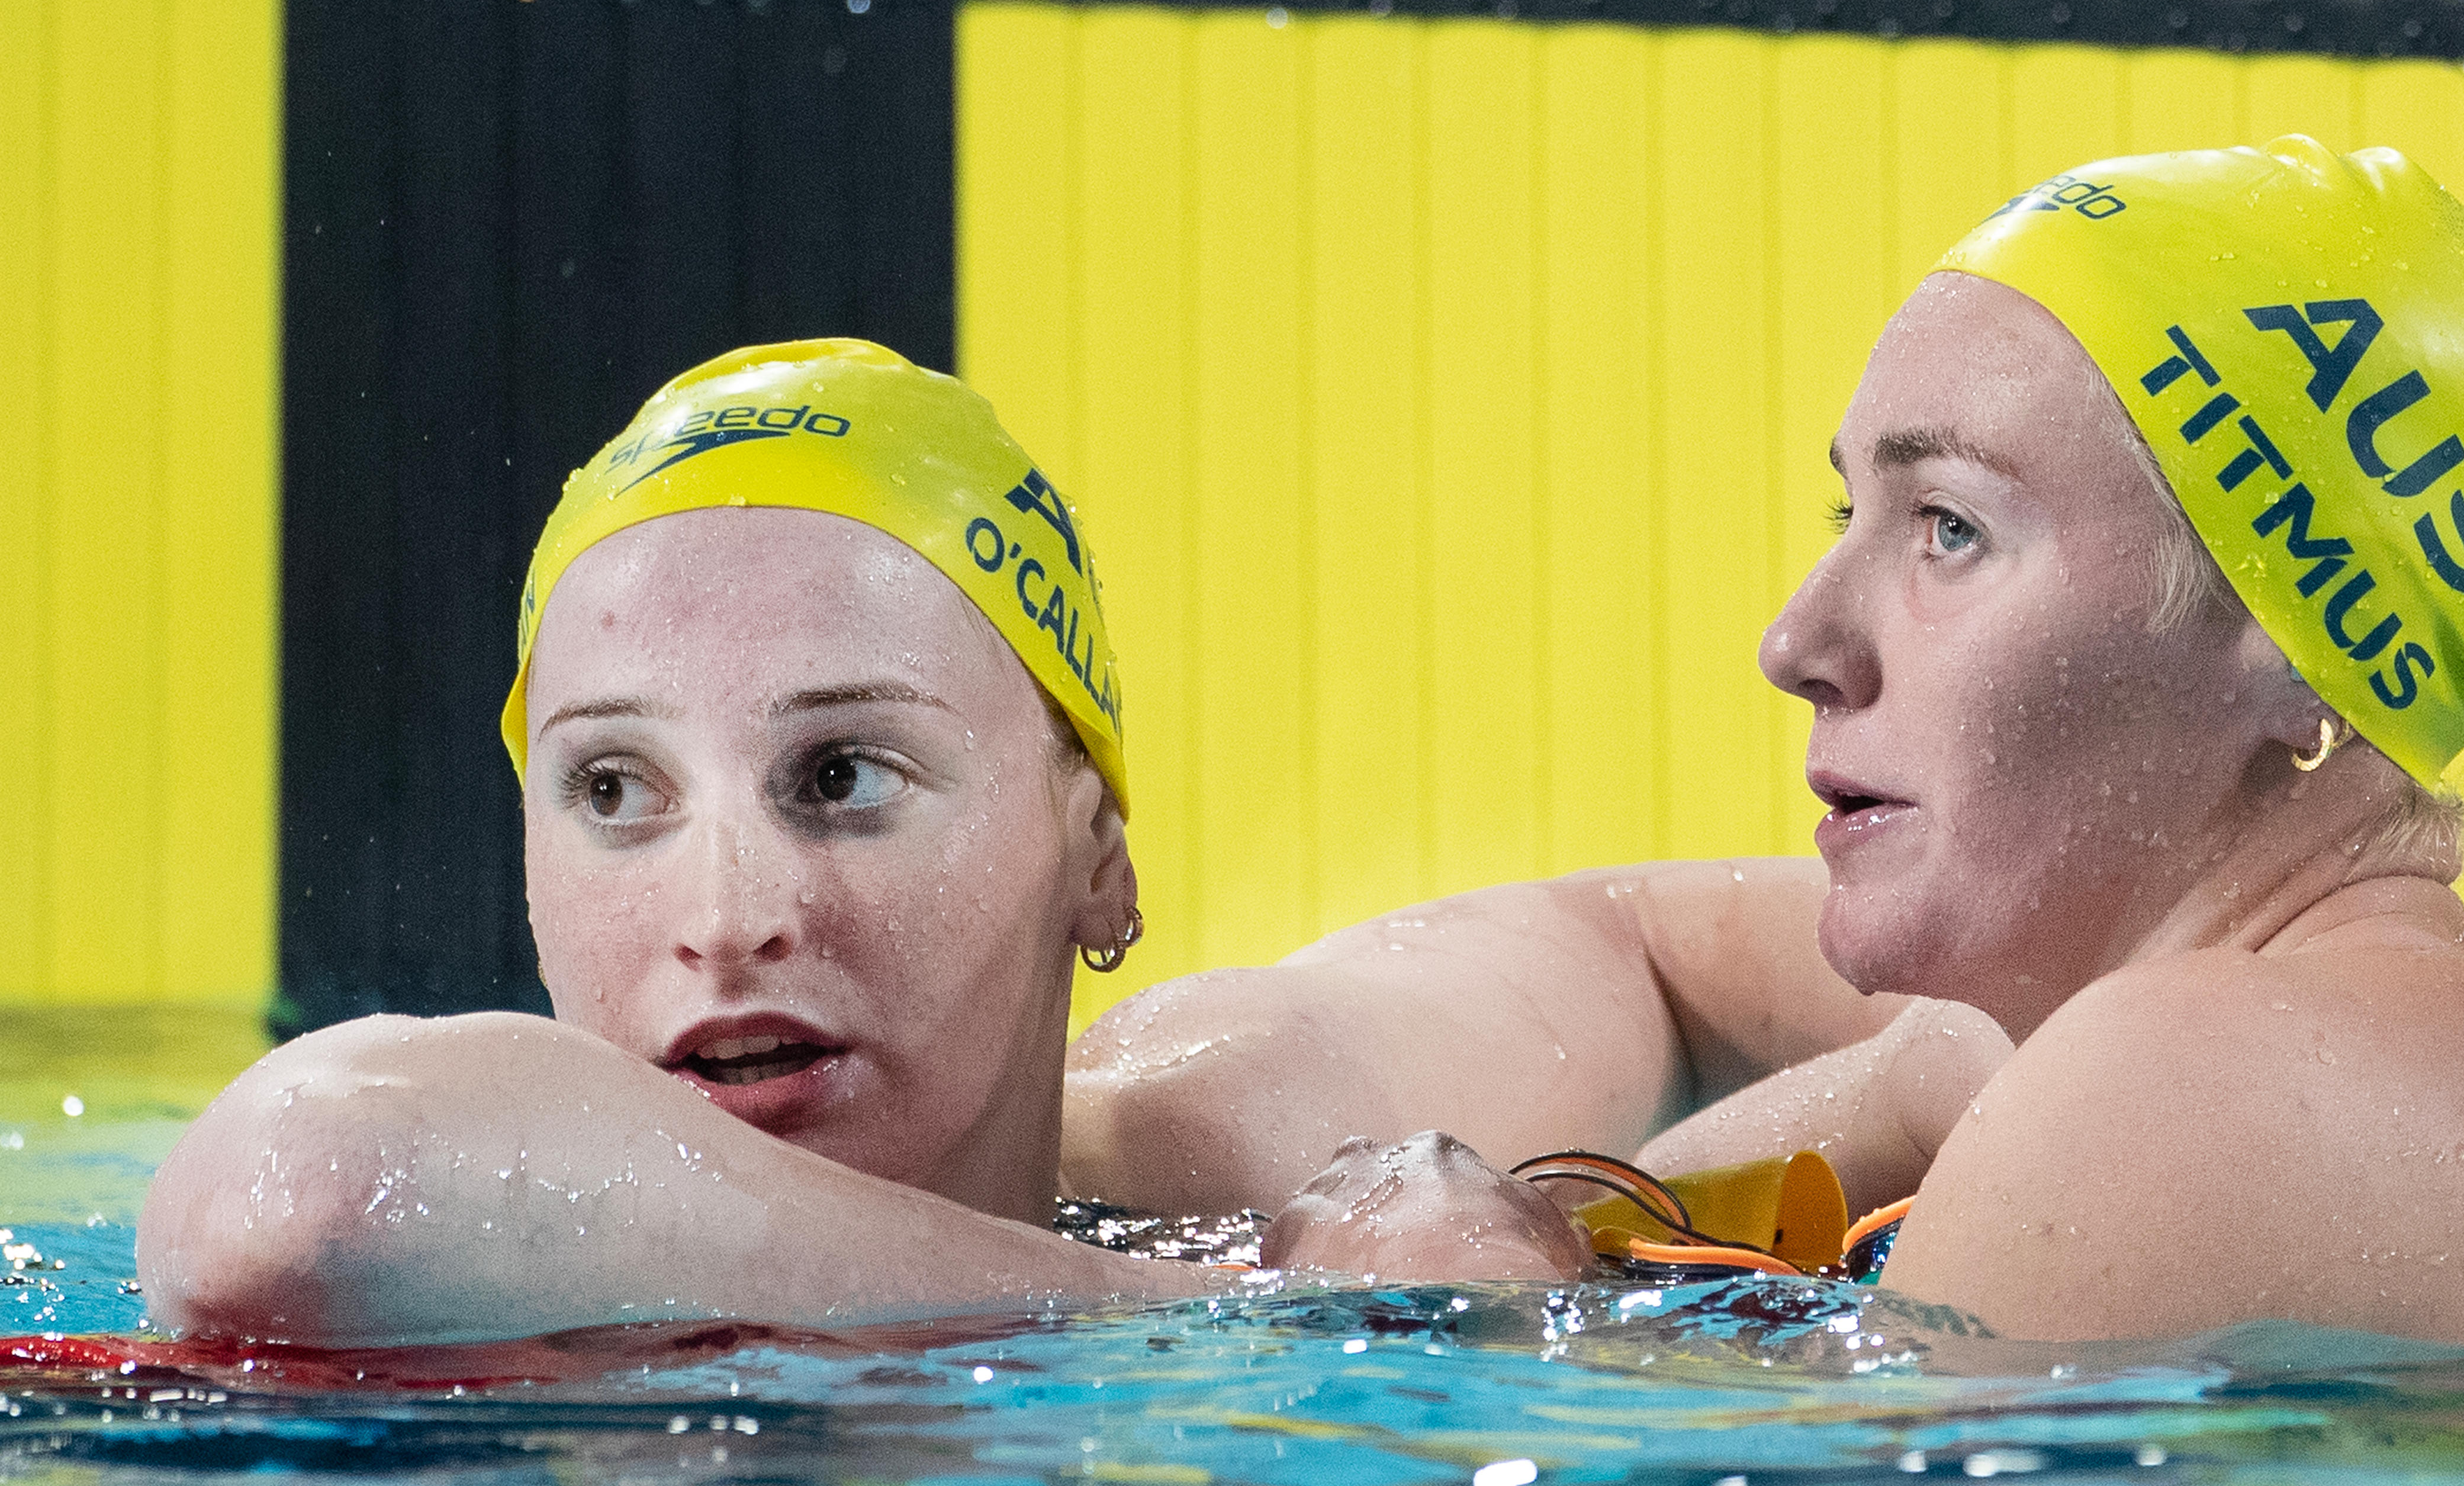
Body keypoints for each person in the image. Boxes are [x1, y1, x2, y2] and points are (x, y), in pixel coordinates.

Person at [1077, 139, 2464, 1352]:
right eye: (1849, 512)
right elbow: (1903, 1088)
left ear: (2293, 662)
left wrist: (1442, 1321)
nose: (1799, 644)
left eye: (1951, 529)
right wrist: (1551, 1224)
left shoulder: (2169, 1086)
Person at [136, 340, 1583, 1349]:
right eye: (615, 790)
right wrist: (1261, 1319)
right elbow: (305, 1190)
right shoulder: (1226, 1299)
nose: (725, 916)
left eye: (840, 776)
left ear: (1095, 853)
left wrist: (1499, 1228)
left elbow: (1642, 947)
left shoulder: (1209, 1127)